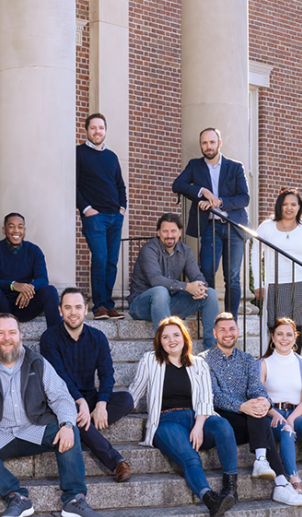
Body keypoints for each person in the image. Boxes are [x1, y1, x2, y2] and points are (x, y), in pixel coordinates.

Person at [0, 313, 103, 517]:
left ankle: (74, 500)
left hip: (35, 429)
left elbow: (60, 396)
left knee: (70, 430)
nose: (7, 338)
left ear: (20, 336)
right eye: (1, 333)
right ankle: (16, 496)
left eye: (12, 332)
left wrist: (67, 423)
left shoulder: (37, 362)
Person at [128, 316, 239, 517]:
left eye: (176, 335)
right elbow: (134, 393)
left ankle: (230, 488)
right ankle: (211, 500)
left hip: (198, 418)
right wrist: (109, 408)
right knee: (190, 457)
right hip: (167, 422)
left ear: (184, 337)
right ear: (159, 341)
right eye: (165, 337)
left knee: (223, 425)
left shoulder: (199, 364)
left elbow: (206, 399)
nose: (172, 340)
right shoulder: (150, 361)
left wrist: (198, 426)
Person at [202, 313, 302, 506]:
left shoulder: (247, 360)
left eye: (232, 329)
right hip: (220, 422)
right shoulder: (204, 360)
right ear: (214, 333)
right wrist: (242, 406)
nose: (228, 333)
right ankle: (280, 482)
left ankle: (263, 463)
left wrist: (265, 403)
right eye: (223, 330)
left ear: (238, 332)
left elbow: (258, 389)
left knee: (258, 405)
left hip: (248, 420)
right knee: (255, 411)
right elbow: (212, 396)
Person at [39, 287, 135, 481]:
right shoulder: (49, 338)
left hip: (90, 398)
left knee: (126, 399)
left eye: (77, 307)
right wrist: (79, 401)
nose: (73, 312)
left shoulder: (97, 337)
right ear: (60, 311)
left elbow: (107, 373)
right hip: (62, 400)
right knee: (73, 414)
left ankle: (84, 426)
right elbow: (59, 376)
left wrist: (101, 403)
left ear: (85, 310)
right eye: (67, 307)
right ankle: (117, 461)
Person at [172, 127, 250, 315]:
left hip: (234, 226)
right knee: (206, 271)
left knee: (232, 277)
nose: (208, 146)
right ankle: (208, 315)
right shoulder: (194, 166)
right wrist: (203, 192)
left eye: (212, 142)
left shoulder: (235, 167)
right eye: (205, 143)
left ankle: (230, 320)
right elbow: (178, 185)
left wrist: (220, 201)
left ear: (219, 144)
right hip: (209, 227)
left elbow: (244, 198)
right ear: (200, 145)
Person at [250, 188, 302, 354]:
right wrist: (258, 283)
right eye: (285, 204)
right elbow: (255, 254)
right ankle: (272, 364)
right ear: (279, 206)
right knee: (276, 326)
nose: (289, 208)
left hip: (301, 284)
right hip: (275, 284)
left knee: (297, 327)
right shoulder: (267, 227)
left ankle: (296, 365)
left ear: (299, 207)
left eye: (293, 204)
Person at [128, 213, 218, 351]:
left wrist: (200, 287)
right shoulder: (149, 249)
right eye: (165, 231)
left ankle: (212, 352)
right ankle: (164, 350)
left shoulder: (185, 251)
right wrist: (187, 287)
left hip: (168, 304)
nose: (169, 235)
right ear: (158, 232)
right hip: (141, 306)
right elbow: (155, 279)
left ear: (180, 232)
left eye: (173, 231)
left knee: (210, 293)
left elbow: (197, 276)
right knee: (160, 290)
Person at [259, 318, 302, 499]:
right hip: (272, 415)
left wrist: (290, 418)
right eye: (279, 334)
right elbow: (259, 396)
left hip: (296, 414)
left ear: (295, 338)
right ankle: (294, 479)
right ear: (272, 337)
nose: (284, 338)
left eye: (289, 334)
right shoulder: (264, 364)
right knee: (286, 430)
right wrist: (275, 414)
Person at [76, 112, 127, 320]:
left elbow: (120, 185)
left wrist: (122, 208)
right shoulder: (79, 153)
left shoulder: (112, 156)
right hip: (95, 216)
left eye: (101, 128)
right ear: (87, 130)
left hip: (115, 216)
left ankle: (108, 304)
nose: (98, 131)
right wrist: (86, 208)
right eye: (93, 128)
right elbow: (73, 184)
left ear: (105, 131)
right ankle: (99, 307)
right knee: (100, 258)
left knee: (111, 262)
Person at [0, 212, 60, 346]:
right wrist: (14, 285)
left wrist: (28, 289)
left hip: (27, 304)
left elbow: (42, 279)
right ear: (4, 230)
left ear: (24, 230)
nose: (16, 230)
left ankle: (57, 341)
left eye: (20, 226)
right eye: (11, 226)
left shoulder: (34, 251)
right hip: (3, 304)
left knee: (50, 290)